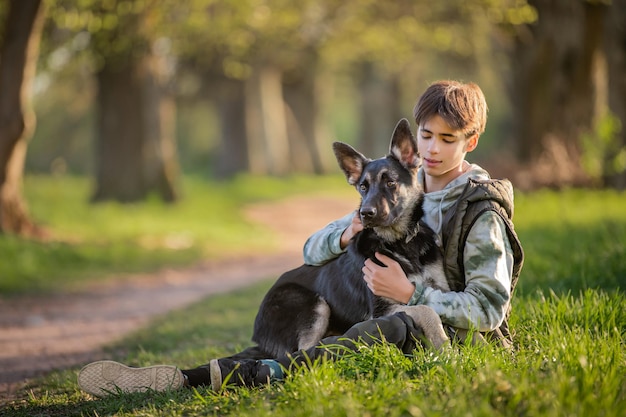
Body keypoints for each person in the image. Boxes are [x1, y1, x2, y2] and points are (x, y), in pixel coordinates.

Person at [77, 80, 524, 397]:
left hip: (454, 334)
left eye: (447, 139)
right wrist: (348, 231)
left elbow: (489, 308)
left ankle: (261, 371)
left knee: (396, 323)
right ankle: (184, 378)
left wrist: (411, 292)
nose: (432, 149)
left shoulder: (480, 211)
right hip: (355, 314)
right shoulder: (406, 184)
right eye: (426, 136)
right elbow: (313, 249)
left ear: (471, 141)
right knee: (358, 329)